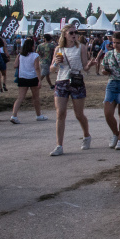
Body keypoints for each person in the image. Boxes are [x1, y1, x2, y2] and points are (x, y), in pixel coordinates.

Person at [49, 26, 92, 156]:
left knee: (79, 114)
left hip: (76, 80)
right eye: (71, 33)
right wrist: (56, 63)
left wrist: (90, 65)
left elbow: (84, 67)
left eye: (76, 33)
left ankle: (86, 135)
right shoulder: (58, 49)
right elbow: (52, 69)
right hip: (61, 81)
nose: (74, 35)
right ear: (65, 35)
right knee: (60, 113)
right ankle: (59, 145)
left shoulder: (81, 47)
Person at [9, 38, 48, 124]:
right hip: (32, 77)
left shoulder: (20, 55)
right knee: (36, 98)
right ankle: (39, 115)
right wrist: (39, 80)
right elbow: (37, 68)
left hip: (22, 77)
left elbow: (15, 65)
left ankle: (14, 115)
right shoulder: (35, 55)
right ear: (32, 46)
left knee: (20, 97)